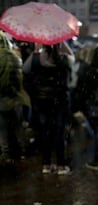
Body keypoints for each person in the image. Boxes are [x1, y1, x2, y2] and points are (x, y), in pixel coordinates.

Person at [23, 42, 74, 175]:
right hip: (59, 101)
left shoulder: (35, 58)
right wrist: (62, 43)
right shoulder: (63, 59)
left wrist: (35, 51)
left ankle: (46, 164)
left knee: (45, 131)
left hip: (42, 101)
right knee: (59, 132)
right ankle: (61, 165)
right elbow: (72, 57)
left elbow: (25, 69)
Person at [0, 48, 31, 164]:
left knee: (2, 129)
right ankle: (22, 151)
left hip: (2, 99)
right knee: (18, 126)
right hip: (17, 97)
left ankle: (6, 154)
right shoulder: (15, 56)